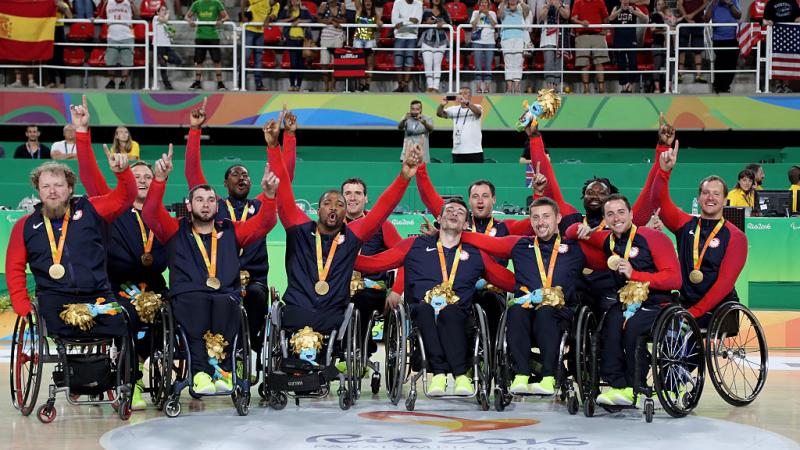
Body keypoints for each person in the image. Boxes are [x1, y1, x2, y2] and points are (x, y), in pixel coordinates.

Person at [143, 137, 279, 395]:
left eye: (210, 200)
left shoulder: (230, 230)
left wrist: (270, 197)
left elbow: (264, 224)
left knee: (227, 304)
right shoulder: (175, 230)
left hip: (224, 294)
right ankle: (200, 373)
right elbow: (150, 213)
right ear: (189, 205)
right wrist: (159, 181)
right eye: (199, 200)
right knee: (198, 305)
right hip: (188, 295)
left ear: (218, 206)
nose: (205, 204)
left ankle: (224, 372)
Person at [265, 120, 419, 343]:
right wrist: (273, 147)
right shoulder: (298, 228)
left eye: (339, 204)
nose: (334, 207)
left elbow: (381, 210)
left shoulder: (352, 236)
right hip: (297, 310)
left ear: (346, 210)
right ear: (318, 209)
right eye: (328, 203)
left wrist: (404, 177)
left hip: (335, 315)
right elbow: (284, 191)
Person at [355, 197, 514, 396]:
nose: (454, 213)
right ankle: (448, 374)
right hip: (423, 311)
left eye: (460, 211)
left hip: (459, 314)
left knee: (451, 312)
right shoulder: (414, 245)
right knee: (424, 309)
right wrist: (339, 255)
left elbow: (505, 279)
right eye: (449, 210)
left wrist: (534, 288)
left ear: (466, 224)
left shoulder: (476, 253)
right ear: (438, 218)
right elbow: (376, 263)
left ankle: (453, 374)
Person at [71, 96, 168, 410]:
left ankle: (141, 368)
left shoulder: (162, 215)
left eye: (147, 177)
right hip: (116, 287)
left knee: (169, 317)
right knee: (126, 317)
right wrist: (82, 133)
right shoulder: (112, 208)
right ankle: (131, 381)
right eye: (136, 177)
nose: (142, 181)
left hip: (154, 287)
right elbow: (89, 176)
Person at [184, 99, 296, 368]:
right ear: (225, 183)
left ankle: (251, 343)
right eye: (235, 174)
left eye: (245, 174)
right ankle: (220, 349)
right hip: (220, 278)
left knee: (257, 296)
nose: (241, 177)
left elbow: (285, 176)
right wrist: (195, 131)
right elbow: (192, 175)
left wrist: (286, 138)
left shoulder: (260, 206)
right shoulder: (214, 207)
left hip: (254, 279)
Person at [5, 146, 139, 342]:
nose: (52, 192)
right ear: (38, 190)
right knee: (63, 336)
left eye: (58, 185)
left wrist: (123, 173)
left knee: (123, 330)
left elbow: (125, 198)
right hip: (53, 299)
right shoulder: (24, 226)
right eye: (45, 186)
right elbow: (14, 269)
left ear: (69, 188)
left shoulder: (91, 209)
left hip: (99, 295)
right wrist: (22, 305)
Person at [459, 197, 585, 395]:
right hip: (526, 309)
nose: (540, 222)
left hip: (560, 312)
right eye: (535, 217)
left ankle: (549, 377)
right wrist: (447, 233)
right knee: (515, 310)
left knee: (545, 312)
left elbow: (607, 253)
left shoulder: (576, 248)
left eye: (546, 216)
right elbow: (486, 242)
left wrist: (583, 232)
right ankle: (521, 374)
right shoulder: (519, 245)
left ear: (558, 218)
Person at [566, 194, 682, 406]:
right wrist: (577, 229)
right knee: (608, 327)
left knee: (631, 330)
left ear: (631, 214)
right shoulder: (607, 240)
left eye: (621, 212)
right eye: (610, 214)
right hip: (626, 302)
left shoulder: (654, 238)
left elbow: (675, 279)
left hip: (657, 304)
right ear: (605, 218)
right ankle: (618, 384)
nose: (616, 218)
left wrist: (635, 274)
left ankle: (633, 385)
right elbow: (571, 232)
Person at [650, 145, 748, 329]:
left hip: (718, 308)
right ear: (699, 197)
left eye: (716, 194)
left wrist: (694, 313)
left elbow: (724, 284)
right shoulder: (684, 223)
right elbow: (658, 202)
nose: (710, 197)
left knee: (679, 328)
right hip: (684, 304)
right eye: (705, 192)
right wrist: (664, 171)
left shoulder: (736, 237)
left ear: (725, 199)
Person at [340, 177, 405, 364]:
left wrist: (397, 290)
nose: (353, 198)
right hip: (338, 288)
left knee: (360, 299)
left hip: (371, 290)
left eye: (358, 193)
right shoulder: (333, 224)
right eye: (348, 193)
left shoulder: (383, 225)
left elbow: (406, 258)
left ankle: (358, 354)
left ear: (366, 198)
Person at [186, 0, 230, 91]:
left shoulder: (217, 3)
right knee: (199, 61)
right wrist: (189, 21)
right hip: (200, 36)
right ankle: (197, 82)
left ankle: (220, 83)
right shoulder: (197, 3)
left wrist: (221, 21)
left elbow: (226, 17)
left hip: (213, 36)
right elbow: (186, 16)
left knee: (217, 60)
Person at [570, 0, 610, 93]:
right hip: (582, 35)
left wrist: (605, 29)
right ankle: (586, 89)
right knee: (584, 63)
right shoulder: (578, 2)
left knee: (600, 61)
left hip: (598, 34)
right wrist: (581, 22)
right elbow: (573, 19)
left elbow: (606, 17)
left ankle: (601, 88)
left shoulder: (600, 1)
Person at [609, 0, 648, 93]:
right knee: (621, 63)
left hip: (631, 39)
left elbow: (645, 18)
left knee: (633, 62)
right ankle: (623, 85)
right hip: (619, 39)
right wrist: (620, 11)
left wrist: (634, 12)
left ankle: (630, 85)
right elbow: (610, 18)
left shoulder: (634, 7)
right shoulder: (616, 8)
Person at [436, 88, 484, 163]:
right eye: (460, 93)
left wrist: (467, 103)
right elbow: (440, 114)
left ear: (470, 96)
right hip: (457, 152)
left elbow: (478, 113)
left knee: (475, 174)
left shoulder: (477, 106)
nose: (462, 95)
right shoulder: (453, 109)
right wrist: (441, 106)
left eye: (465, 93)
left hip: (475, 151)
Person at [703, 0, 741, 94]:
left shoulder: (734, 1)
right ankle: (718, 85)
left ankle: (726, 86)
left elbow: (738, 15)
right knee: (720, 61)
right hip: (718, 38)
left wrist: (730, 4)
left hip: (733, 37)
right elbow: (706, 19)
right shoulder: (713, 3)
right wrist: (712, 5)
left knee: (731, 63)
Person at [243, 0, 279, 91]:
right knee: (246, 57)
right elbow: (244, 1)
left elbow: (274, 15)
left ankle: (259, 84)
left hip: (260, 32)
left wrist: (269, 18)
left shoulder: (277, 5)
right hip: (249, 29)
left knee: (259, 58)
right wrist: (243, 15)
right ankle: (241, 82)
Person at [279, 0, 314, 92]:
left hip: (302, 40)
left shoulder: (304, 10)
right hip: (291, 39)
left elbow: (311, 20)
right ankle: (292, 84)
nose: (295, 1)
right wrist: (291, 20)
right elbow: (279, 20)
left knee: (301, 64)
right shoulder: (286, 10)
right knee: (293, 63)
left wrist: (300, 21)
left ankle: (298, 85)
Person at [104, 0, 138, 90]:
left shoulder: (128, 2)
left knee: (127, 61)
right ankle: (111, 81)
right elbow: (101, 15)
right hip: (112, 36)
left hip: (127, 36)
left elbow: (138, 15)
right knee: (110, 60)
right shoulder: (108, 2)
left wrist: (132, 3)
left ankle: (123, 82)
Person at [499, 0, 530, 93]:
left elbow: (527, 11)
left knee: (518, 62)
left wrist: (521, 2)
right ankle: (509, 87)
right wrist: (504, 2)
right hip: (506, 38)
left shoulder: (521, 8)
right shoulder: (503, 7)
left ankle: (516, 87)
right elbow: (499, 15)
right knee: (508, 63)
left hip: (519, 37)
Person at [391, 0, 423, 92]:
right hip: (399, 35)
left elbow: (418, 21)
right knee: (398, 61)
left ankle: (405, 84)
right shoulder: (397, 2)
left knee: (409, 61)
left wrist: (402, 22)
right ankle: (400, 85)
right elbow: (394, 21)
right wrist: (410, 20)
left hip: (412, 36)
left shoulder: (419, 4)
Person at [420, 0, 451, 93]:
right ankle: (429, 86)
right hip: (426, 40)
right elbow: (419, 25)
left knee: (437, 64)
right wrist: (427, 23)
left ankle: (436, 87)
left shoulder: (444, 11)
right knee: (427, 63)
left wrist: (443, 24)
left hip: (441, 41)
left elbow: (450, 24)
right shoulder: (426, 11)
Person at [539, 0, 570, 91]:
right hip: (548, 37)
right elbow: (541, 17)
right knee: (549, 62)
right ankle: (549, 86)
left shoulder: (565, 5)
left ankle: (556, 86)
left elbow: (566, 16)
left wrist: (558, 6)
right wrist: (547, 6)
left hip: (561, 38)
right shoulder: (545, 5)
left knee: (559, 63)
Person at [318, 0, 348, 92]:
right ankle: (326, 86)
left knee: (336, 64)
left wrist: (334, 21)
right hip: (326, 36)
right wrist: (329, 21)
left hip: (338, 36)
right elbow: (318, 19)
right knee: (324, 62)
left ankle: (333, 86)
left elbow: (344, 20)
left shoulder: (342, 6)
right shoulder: (323, 5)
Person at [353, 0, 382, 92]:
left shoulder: (375, 14)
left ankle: (367, 85)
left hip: (370, 40)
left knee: (369, 64)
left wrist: (379, 23)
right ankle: (361, 85)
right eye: (366, 1)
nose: (368, 3)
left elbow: (379, 25)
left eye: (370, 1)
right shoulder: (359, 10)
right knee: (359, 64)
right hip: (358, 39)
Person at [470, 0, 498, 94]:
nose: (483, 4)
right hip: (478, 41)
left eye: (485, 3)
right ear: (479, 4)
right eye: (482, 2)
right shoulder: (475, 12)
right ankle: (478, 87)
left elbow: (494, 24)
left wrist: (487, 14)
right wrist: (479, 13)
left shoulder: (492, 13)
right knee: (477, 65)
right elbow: (473, 24)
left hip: (490, 42)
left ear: (488, 4)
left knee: (488, 65)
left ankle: (487, 87)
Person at [650, 0, 678, 93]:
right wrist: (665, 29)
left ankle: (669, 86)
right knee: (657, 64)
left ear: (665, 5)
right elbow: (653, 29)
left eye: (662, 4)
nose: (660, 6)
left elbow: (674, 27)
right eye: (658, 4)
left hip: (669, 43)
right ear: (656, 6)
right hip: (658, 43)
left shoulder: (670, 16)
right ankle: (657, 88)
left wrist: (668, 29)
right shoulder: (654, 16)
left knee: (670, 64)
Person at [677, 0, 708, 84]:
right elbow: (679, 4)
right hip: (684, 23)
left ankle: (698, 75)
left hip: (698, 22)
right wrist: (687, 19)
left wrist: (693, 14)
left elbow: (705, 3)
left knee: (698, 49)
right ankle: (680, 74)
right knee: (681, 48)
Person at [154, 5, 183, 90]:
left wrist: (171, 34)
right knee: (163, 67)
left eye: (165, 10)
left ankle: (164, 58)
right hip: (159, 45)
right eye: (162, 10)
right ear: (158, 12)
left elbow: (170, 33)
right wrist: (168, 13)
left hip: (167, 45)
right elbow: (165, 20)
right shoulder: (155, 18)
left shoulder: (165, 24)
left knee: (178, 61)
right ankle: (167, 85)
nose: (164, 11)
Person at [48, 0, 72, 89]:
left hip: (58, 29)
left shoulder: (63, 4)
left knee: (59, 58)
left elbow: (70, 17)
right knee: (48, 58)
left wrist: (62, 7)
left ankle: (62, 82)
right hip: (47, 29)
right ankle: (52, 81)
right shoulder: (46, 4)